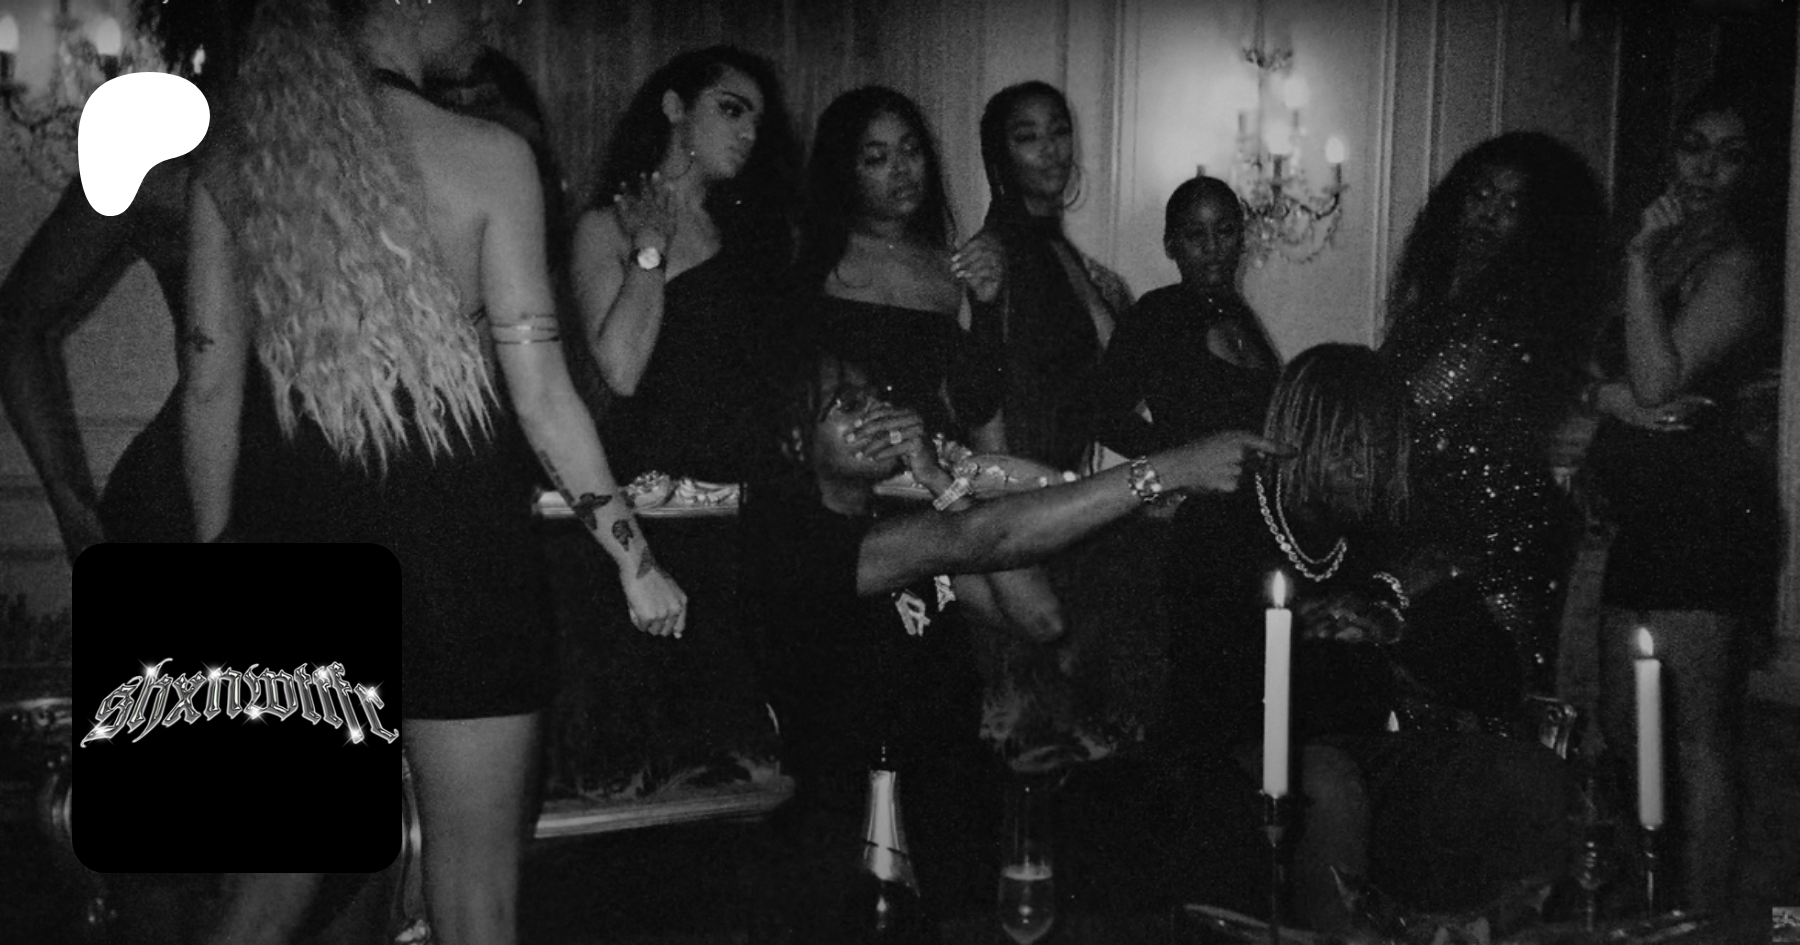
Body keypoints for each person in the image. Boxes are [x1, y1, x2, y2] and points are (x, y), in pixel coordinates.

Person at [179, 6, 685, 945]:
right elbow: (543, 398)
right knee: (476, 896)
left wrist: (216, 560)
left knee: (266, 890)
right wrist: (634, 557)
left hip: (290, 548)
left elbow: (209, 385)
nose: (487, 12)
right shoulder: (488, 157)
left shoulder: (240, 159)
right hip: (460, 555)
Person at [743, 333, 1281, 937]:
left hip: (953, 800)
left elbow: (1038, 617)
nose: (878, 414)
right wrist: (1170, 468)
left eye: (876, 396)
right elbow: (984, 538)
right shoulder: (788, 537)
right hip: (855, 823)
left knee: (1175, 810)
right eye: (846, 405)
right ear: (794, 441)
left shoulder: (897, 520)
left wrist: (937, 479)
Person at [1163, 343, 1576, 935]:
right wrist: (1305, 634)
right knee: (1330, 784)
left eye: (1380, 451)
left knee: (1528, 774)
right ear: (1295, 441)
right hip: (1231, 762)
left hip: (1362, 755)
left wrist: (1397, 624)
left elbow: (1498, 682)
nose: (1365, 469)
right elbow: (1207, 696)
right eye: (1345, 448)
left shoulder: (1390, 530)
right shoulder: (1222, 524)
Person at [1583, 82, 1783, 913]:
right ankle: (1651, 902)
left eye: (1729, 156)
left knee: (1698, 734)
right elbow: (1597, 372)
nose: (1704, 169)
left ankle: (1698, 921)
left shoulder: (1737, 266)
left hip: (1707, 512)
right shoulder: (1666, 249)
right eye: (1693, 147)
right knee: (1624, 722)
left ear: (1751, 173)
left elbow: (1659, 381)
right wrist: (1609, 397)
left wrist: (1636, 262)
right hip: (1642, 515)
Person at [0, 0, 257, 553]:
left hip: (293, 493)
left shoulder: (366, 142)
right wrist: (73, 513)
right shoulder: (160, 161)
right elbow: (16, 322)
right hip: (187, 503)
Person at [1380, 131, 1609, 691]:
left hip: (1498, 538)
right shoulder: (1434, 298)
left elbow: (1419, 396)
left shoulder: (1513, 311)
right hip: (1437, 527)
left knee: (1501, 692)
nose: (1489, 213)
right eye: (1482, 195)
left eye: (1512, 205)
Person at [571, 44, 799, 484]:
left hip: (749, 474)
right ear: (675, 107)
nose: (748, 134)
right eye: (731, 110)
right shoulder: (606, 224)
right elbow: (621, 371)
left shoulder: (756, 230)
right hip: (655, 481)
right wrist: (651, 243)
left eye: (757, 123)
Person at [793, 84, 1006, 451]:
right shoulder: (808, 257)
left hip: (928, 465)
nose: (902, 170)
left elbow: (979, 406)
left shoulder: (951, 266)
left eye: (911, 150)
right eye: (877, 158)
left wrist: (987, 305)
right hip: (837, 464)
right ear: (844, 170)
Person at [975, 80, 1132, 472]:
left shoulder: (1060, 251)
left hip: (1064, 478)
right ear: (1000, 154)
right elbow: (982, 399)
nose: (1050, 149)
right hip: (1022, 483)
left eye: (1059, 131)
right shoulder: (995, 252)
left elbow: (1105, 393)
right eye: (1028, 137)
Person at [1091, 175, 1280, 458]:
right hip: (1193, 487)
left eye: (1225, 231)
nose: (1212, 247)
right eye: (1195, 234)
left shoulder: (1242, 317)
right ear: (1171, 245)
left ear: (1242, 239)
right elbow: (1101, 413)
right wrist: (1178, 464)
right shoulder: (1157, 313)